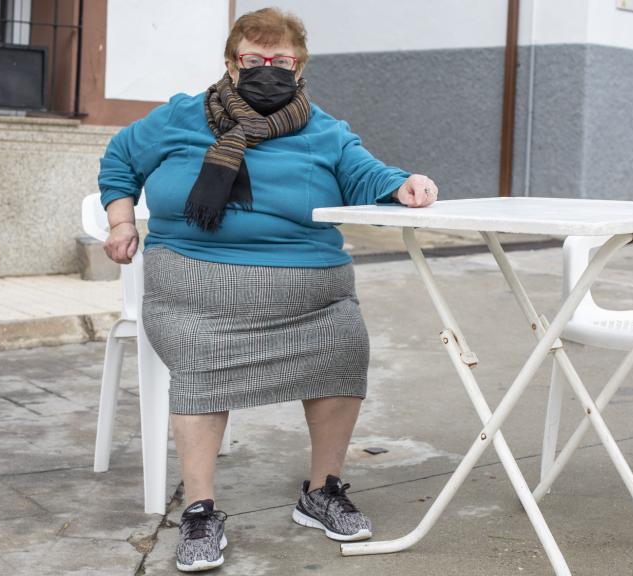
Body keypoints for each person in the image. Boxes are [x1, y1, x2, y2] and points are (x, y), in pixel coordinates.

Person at [98, 7, 437, 572]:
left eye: (282, 61)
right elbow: (120, 159)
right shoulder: (182, 116)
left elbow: (365, 173)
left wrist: (404, 184)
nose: (268, 70)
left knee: (343, 340)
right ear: (231, 65)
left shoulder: (323, 128)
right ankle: (201, 509)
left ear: (300, 68)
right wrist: (121, 222)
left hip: (309, 287)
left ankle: (322, 490)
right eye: (255, 60)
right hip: (194, 278)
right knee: (201, 353)